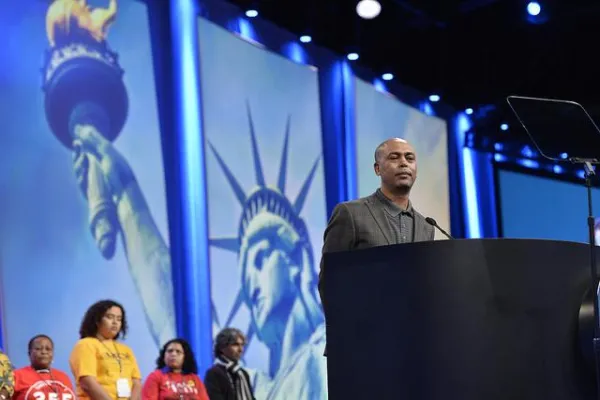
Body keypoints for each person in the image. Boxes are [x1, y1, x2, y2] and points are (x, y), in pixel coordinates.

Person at [319, 138, 435, 307]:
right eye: (394, 157)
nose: (404, 163)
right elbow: (330, 280)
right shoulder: (350, 213)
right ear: (377, 169)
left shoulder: (426, 226)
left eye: (409, 158)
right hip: (363, 322)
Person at [69, 299, 142, 400]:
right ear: (97, 321)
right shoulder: (86, 344)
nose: (115, 322)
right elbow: (87, 382)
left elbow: (136, 383)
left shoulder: (126, 350)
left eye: (119, 319)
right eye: (110, 317)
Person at [142, 338, 209, 400]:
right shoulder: (155, 376)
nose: (173, 354)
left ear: (185, 357)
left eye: (178, 352)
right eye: (170, 351)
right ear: (164, 356)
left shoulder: (195, 379)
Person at [13, 335, 75, 400]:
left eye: (48, 349)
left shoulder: (63, 376)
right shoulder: (17, 376)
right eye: (38, 349)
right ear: (29, 353)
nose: (44, 352)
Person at [204, 328, 255, 400]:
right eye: (235, 345)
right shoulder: (213, 373)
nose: (240, 349)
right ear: (222, 347)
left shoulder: (243, 373)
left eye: (242, 345)